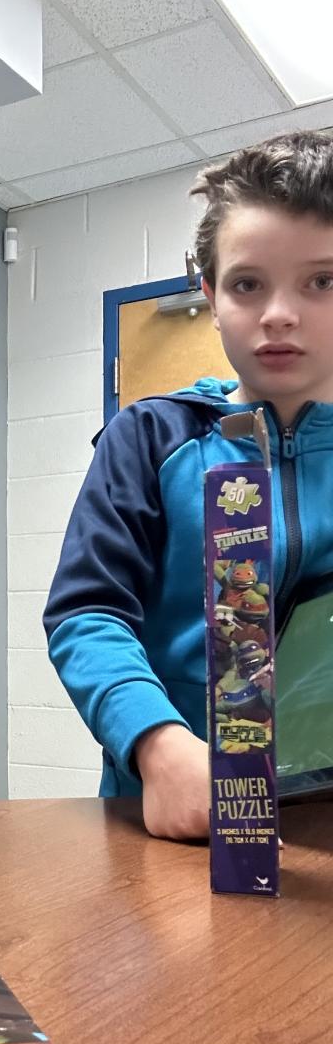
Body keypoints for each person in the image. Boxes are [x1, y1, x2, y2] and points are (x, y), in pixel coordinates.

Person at [44, 131, 333, 841]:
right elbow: (87, 611)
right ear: (209, 293)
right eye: (247, 284)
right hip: (173, 814)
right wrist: (156, 745)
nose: (279, 313)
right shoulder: (150, 437)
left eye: (321, 281)